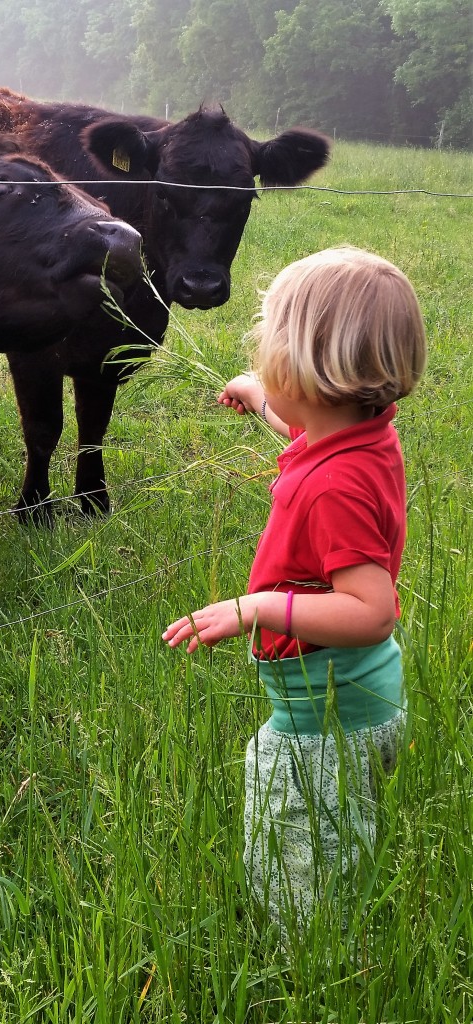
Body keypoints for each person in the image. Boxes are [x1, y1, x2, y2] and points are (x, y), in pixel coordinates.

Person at [162, 246, 427, 942]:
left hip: (322, 719)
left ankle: (311, 966)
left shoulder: (332, 484)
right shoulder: (360, 439)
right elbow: (306, 431)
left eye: (267, 341)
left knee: (299, 855)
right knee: (338, 831)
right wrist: (258, 396)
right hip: (362, 697)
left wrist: (256, 607)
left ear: (309, 368)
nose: (258, 348)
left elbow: (370, 611)